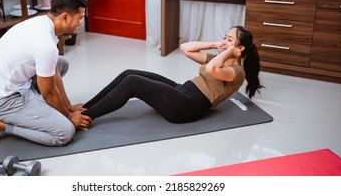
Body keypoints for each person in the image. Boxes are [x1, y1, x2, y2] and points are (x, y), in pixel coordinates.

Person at [0, 0, 92, 149]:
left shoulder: (44, 23)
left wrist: (69, 107)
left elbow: (53, 73)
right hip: (2, 101)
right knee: (65, 132)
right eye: (80, 17)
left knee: (61, 63)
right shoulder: (45, 44)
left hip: (12, 85)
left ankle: (35, 109)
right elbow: (48, 93)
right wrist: (68, 117)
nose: (81, 22)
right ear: (65, 17)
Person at [82, 26, 263, 124]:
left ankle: (86, 117)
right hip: (182, 90)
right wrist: (217, 44)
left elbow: (211, 69)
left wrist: (229, 53)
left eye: (229, 40)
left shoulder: (237, 72)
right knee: (129, 73)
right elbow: (186, 48)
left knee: (133, 82)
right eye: (224, 37)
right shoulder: (217, 58)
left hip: (188, 107)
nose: (224, 41)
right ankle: (83, 108)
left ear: (240, 48)